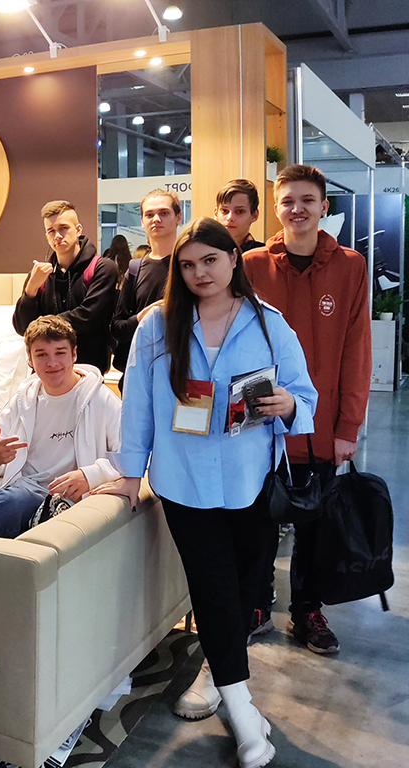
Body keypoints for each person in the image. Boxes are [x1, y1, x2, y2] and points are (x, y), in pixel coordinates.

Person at [94, 218, 316, 768]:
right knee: (212, 587)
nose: (199, 273)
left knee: (244, 589)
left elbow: (304, 394)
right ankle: (243, 712)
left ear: (233, 259)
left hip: (251, 480)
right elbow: (138, 404)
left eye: (210, 260)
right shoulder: (157, 326)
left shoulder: (269, 324)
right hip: (184, 481)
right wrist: (130, 474)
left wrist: (288, 404)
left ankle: (218, 674)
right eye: (188, 264)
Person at [243, 164, 371, 653]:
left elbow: (357, 350)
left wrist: (348, 426)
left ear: (323, 207)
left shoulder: (350, 266)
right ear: (276, 209)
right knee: (258, 521)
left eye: (307, 200)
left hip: (322, 424)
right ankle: (257, 604)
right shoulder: (251, 265)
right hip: (260, 425)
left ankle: (307, 610)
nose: (297, 209)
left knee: (315, 524)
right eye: (287, 201)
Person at [0, 316, 121, 538]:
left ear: (74, 354)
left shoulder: (101, 400)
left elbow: (131, 455)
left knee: (11, 501)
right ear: (29, 359)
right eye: (41, 355)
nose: (52, 363)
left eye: (60, 353)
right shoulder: (22, 399)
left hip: (45, 493)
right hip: (4, 483)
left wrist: (90, 475)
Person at [12, 201, 118, 372]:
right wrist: (30, 290)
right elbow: (22, 327)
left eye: (63, 228)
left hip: (87, 369)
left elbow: (88, 317)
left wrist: (40, 326)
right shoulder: (39, 275)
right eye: (51, 231)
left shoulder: (103, 268)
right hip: (46, 370)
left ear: (78, 230)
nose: (57, 236)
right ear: (46, 236)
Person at [111, 189, 184, 375]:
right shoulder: (135, 269)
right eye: (150, 215)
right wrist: (141, 318)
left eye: (164, 213)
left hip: (182, 368)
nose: (156, 219)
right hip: (141, 370)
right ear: (142, 221)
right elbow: (118, 328)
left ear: (178, 217)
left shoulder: (189, 265)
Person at [215, 179, 264, 252]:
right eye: (224, 211)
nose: (230, 218)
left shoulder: (264, 254)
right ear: (216, 214)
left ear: (254, 215)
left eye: (240, 211)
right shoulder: (204, 251)